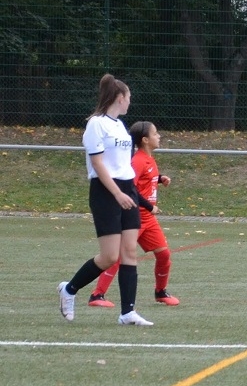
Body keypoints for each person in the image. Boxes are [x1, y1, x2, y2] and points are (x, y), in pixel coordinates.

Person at [56, 74, 153, 326]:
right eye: (129, 97)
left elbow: (122, 164)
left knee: (129, 251)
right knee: (110, 256)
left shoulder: (120, 125)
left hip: (127, 189)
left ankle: (127, 312)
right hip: (106, 191)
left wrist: (129, 192)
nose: (130, 101)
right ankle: (69, 289)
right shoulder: (96, 124)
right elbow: (98, 164)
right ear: (120, 98)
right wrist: (117, 194)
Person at [87, 121, 181, 309]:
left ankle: (160, 292)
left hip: (148, 219)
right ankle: (97, 295)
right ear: (145, 140)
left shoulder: (148, 159)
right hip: (135, 216)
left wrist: (159, 178)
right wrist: (149, 206)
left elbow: (146, 178)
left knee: (164, 255)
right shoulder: (137, 160)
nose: (159, 136)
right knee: (117, 257)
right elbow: (131, 188)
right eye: (155, 133)